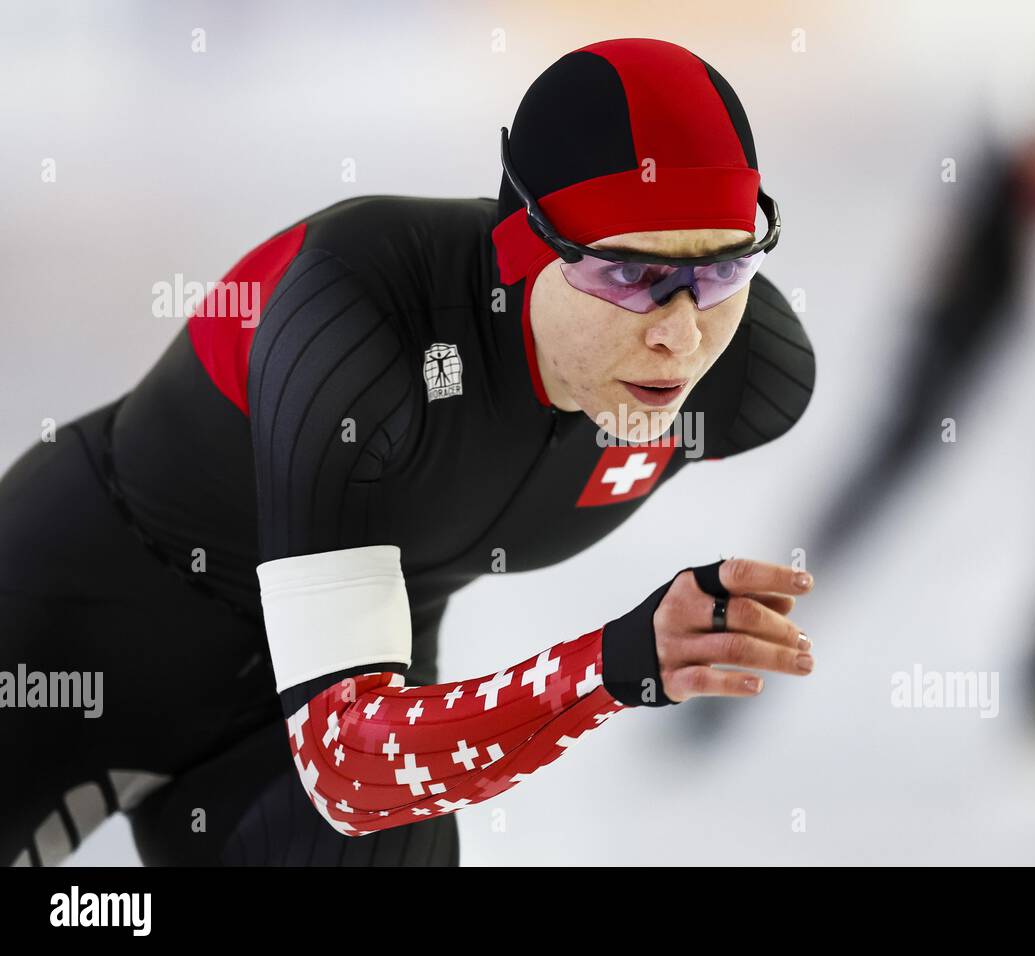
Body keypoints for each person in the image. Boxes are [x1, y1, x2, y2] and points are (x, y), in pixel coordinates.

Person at [0, 37, 816, 866]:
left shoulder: (749, 375)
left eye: (720, 272)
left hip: (303, 731)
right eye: (627, 277)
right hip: (61, 641)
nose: (681, 333)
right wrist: (611, 667)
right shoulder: (359, 315)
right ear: (524, 246)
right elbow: (348, 765)